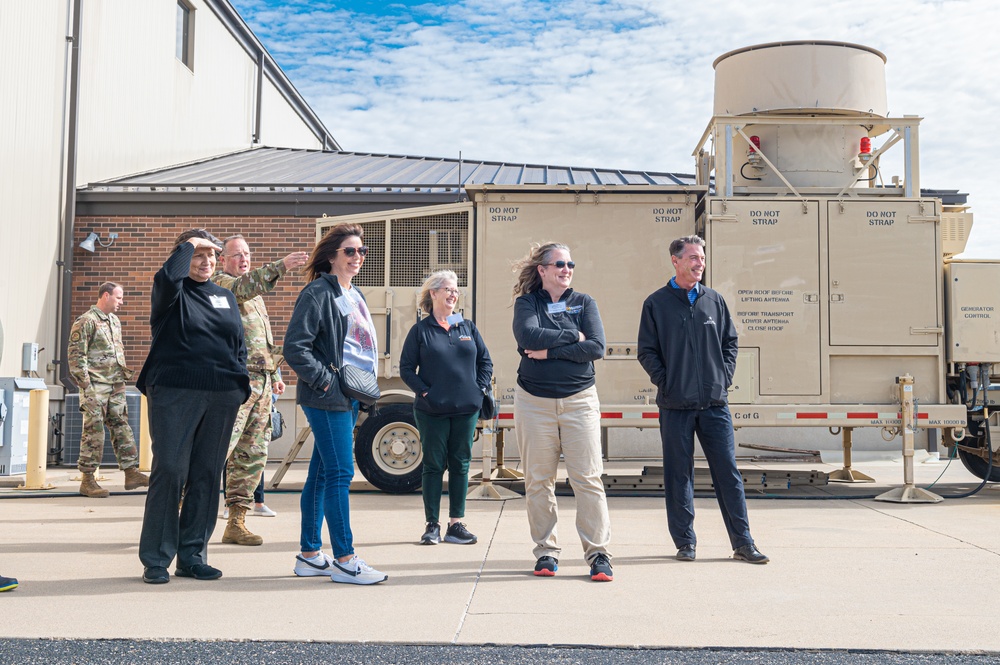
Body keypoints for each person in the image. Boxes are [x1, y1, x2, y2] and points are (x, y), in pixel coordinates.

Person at [636, 235, 769, 565]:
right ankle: (685, 543)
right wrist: (667, 383)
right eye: (693, 257)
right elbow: (646, 352)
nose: (699, 264)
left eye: (703, 258)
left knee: (728, 474)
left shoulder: (714, 301)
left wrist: (722, 378)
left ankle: (743, 542)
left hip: (714, 405)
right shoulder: (657, 303)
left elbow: (730, 344)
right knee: (679, 476)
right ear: (676, 261)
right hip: (675, 405)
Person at [136, 229, 250, 584]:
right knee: (170, 469)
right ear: (183, 256)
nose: (206, 262)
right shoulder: (172, 292)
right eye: (199, 255)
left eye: (212, 256)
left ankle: (193, 555)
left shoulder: (224, 297)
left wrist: (239, 384)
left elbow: (238, 344)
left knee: (206, 474)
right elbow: (167, 275)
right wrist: (190, 244)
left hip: (221, 395)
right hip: (174, 391)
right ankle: (156, 558)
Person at [284, 222, 387, 585]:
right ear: (331, 256)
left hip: (350, 394)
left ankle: (310, 554)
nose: (358, 257)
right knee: (342, 473)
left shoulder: (353, 293)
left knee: (322, 474)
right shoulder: (317, 292)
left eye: (362, 251)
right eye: (350, 251)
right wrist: (326, 382)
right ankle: (345, 558)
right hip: (329, 395)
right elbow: (295, 347)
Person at [511, 242, 613, 582]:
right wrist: (572, 335)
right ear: (542, 270)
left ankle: (598, 553)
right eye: (559, 264)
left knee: (587, 479)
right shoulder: (527, 303)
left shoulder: (584, 302)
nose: (566, 269)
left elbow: (596, 347)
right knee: (538, 481)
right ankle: (546, 552)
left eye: (570, 263)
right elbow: (527, 335)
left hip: (579, 401)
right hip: (534, 403)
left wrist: (548, 352)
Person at [212, 234, 308, 546]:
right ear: (223, 260)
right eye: (237, 255)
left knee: (252, 454)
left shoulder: (255, 296)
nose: (244, 259)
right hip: (236, 383)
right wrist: (280, 266)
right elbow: (244, 286)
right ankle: (180, 513)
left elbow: (259, 343)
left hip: (262, 382)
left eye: (247, 254)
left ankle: (236, 522)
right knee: (217, 450)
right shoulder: (221, 284)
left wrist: (280, 363)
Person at [400, 270, 493, 546]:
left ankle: (456, 524)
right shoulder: (420, 331)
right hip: (432, 410)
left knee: (461, 464)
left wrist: (479, 388)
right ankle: (432, 525)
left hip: (467, 408)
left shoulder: (467, 327)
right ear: (434, 294)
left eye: (456, 291)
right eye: (448, 290)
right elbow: (406, 368)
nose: (453, 295)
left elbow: (485, 362)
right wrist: (425, 391)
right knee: (433, 465)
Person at [67, 282, 149, 498]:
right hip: (95, 386)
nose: (122, 302)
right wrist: (86, 386)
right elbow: (76, 356)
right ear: (106, 295)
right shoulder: (86, 321)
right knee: (93, 432)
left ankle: (131, 473)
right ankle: (87, 480)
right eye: (119, 297)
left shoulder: (114, 320)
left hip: (115, 384)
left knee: (122, 427)